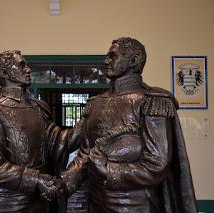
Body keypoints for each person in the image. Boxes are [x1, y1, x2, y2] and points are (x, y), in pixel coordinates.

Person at [58, 37, 198, 212]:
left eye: (113, 56)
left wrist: (109, 170)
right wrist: (64, 183)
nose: (106, 61)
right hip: (95, 203)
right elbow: (86, 155)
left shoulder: (152, 101)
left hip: (135, 205)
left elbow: (157, 165)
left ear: (134, 61)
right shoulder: (96, 103)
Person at [0, 50, 80, 213]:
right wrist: (38, 180)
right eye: (21, 65)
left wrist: (89, 120)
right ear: (4, 73)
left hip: (41, 201)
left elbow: (58, 142)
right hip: (8, 205)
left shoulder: (39, 108)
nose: (28, 69)